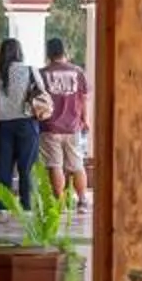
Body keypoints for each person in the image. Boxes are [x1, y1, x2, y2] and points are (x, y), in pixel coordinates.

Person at [40, 34, 93, 211]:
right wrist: (85, 120)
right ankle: (83, 200)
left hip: (50, 126)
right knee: (76, 164)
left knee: (54, 164)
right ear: (64, 51)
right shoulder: (78, 72)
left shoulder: (43, 74)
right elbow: (84, 98)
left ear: (49, 53)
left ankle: (59, 202)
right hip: (73, 126)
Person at [0, 36, 42, 207]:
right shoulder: (29, 70)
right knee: (27, 169)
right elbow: (41, 92)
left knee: (3, 169)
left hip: (3, 125)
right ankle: (27, 206)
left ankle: (1, 206)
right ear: (19, 52)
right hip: (26, 123)